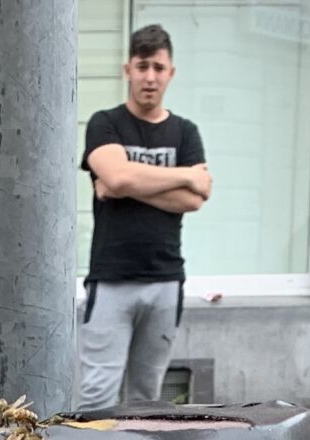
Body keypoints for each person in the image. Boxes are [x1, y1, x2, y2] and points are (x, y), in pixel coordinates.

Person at [76, 24, 209, 412]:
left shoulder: (185, 132)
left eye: (158, 67)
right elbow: (114, 178)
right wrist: (186, 175)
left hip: (165, 280)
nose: (150, 77)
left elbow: (195, 200)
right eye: (142, 66)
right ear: (127, 70)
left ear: (171, 73)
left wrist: (129, 182)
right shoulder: (106, 123)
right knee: (96, 398)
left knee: (148, 400)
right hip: (112, 278)